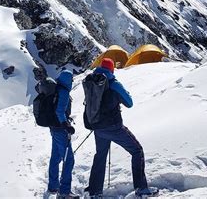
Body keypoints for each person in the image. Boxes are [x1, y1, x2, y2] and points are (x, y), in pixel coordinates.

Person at [86, 58, 157, 198]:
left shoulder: (92, 81)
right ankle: (141, 188)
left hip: (97, 127)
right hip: (113, 127)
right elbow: (129, 103)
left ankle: (94, 192)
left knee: (100, 156)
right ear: (112, 69)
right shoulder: (113, 83)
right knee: (137, 150)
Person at [48, 70, 79, 199]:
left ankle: (53, 186)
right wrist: (67, 125)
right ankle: (65, 191)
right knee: (69, 160)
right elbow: (60, 111)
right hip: (61, 129)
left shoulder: (56, 88)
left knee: (55, 157)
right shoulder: (64, 92)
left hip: (53, 128)